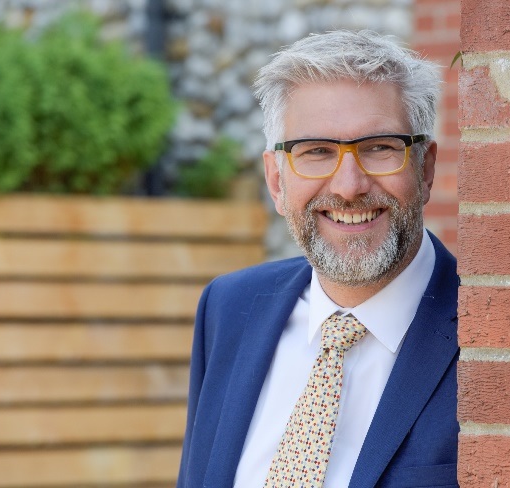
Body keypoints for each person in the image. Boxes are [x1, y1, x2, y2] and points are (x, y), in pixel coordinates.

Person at [177, 30, 459, 488]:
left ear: (425, 169)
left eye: (379, 147)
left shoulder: (493, 333)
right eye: (317, 152)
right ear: (276, 181)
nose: (348, 186)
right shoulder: (227, 308)